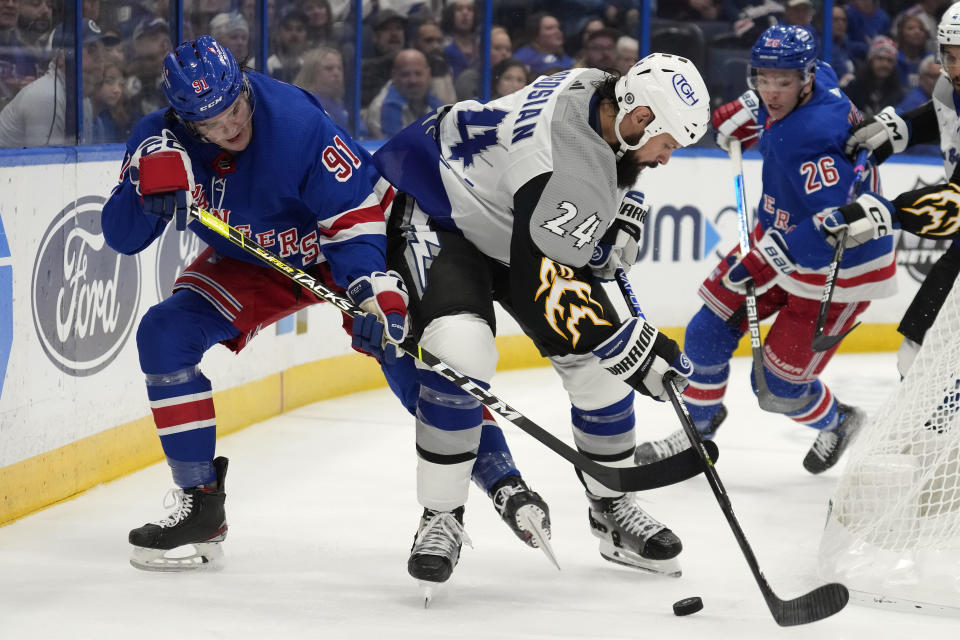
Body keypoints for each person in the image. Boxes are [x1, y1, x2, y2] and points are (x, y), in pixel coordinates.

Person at [372, 52, 708, 590]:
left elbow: (605, 165)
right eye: (666, 146)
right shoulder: (560, 160)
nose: (666, 159)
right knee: (461, 350)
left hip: (512, 217)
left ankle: (611, 507)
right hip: (439, 207)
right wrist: (635, 351)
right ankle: (441, 515)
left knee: (597, 369)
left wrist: (617, 208)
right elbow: (543, 280)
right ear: (641, 119)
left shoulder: (602, 90)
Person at [100, 35, 407, 571]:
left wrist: (367, 291)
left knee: (401, 346)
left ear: (245, 86)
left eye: (236, 108)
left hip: (337, 248)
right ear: (187, 124)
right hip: (254, 261)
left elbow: (353, 218)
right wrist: (144, 193)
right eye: (213, 125)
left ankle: (484, 482)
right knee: (163, 334)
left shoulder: (294, 121)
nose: (231, 127)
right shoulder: (159, 138)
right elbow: (122, 237)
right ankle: (200, 505)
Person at [636, 25, 897, 475]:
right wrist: (753, 108)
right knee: (705, 332)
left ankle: (839, 421)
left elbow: (838, 227)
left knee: (777, 390)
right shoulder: (820, 80)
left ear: (807, 78)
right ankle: (699, 426)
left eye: (784, 82)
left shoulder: (811, 134)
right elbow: (745, 120)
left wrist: (766, 259)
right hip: (783, 237)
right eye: (764, 79)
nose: (773, 92)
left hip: (841, 268)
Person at [841, 2, 960, 381]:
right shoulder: (948, 87)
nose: (955, 69)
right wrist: (899, 130)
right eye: (950, 57)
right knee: (916, 345)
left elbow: (955, 205)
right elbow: (942, 115)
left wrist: (887, 214)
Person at [0, 18, 105, 147]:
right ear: (62, 57)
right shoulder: (46, 97)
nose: (101, 57)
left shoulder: (84, 100)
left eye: (102, 49)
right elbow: (44, 164)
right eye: (92, 49)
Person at [364, 48, 443, 138]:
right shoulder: (381, 108)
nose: (413, 81)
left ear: (428, 74)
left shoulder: (436, 104)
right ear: (394, 76)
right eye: (405, 74)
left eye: (418, 74)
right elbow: (395, 149)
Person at [846, 35, 905, 118]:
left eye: (889, 60)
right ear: (871, 60)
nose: (885, 64)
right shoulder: (854, 85)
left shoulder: (898, 92)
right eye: (880, 58)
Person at [512, 11, 573, 76]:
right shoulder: (522, 57)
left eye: (558, 28)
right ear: (535, 35)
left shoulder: (566, 59)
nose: (557, 31)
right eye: (550, 28)